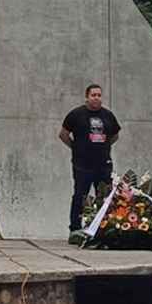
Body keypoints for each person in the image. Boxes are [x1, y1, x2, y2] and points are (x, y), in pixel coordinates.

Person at [60, 84, 122, 236]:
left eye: (99, 95)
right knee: (80, 195)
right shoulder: (76, 114)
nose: (96, 98)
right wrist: (76, 148)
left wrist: (104, 145)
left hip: (103, 164)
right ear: (87, 97)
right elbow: (63, 134)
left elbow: (115, 135)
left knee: (105, 196)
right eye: (93, 95)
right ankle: (75, 228)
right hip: (82, 164)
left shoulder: (108, 115)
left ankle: (104, 227)